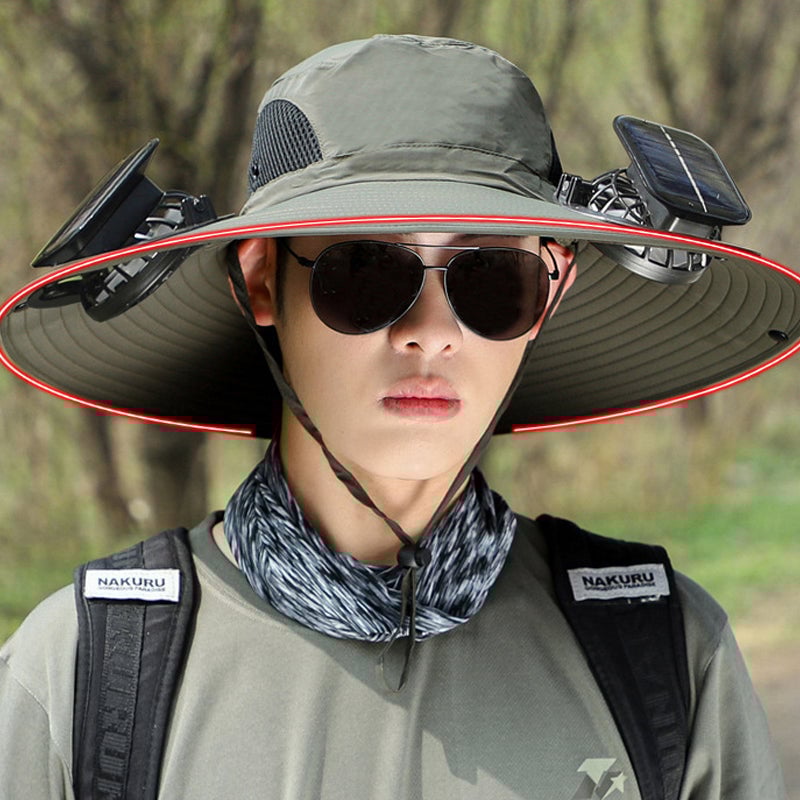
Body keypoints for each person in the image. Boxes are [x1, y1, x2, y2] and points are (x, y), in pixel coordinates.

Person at [0, 34, 793, 800]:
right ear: (263, 279)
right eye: (366, 270)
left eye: (492, 277)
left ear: (552, 290)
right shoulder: (83, 676)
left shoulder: (666, 658)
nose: (431, 332)